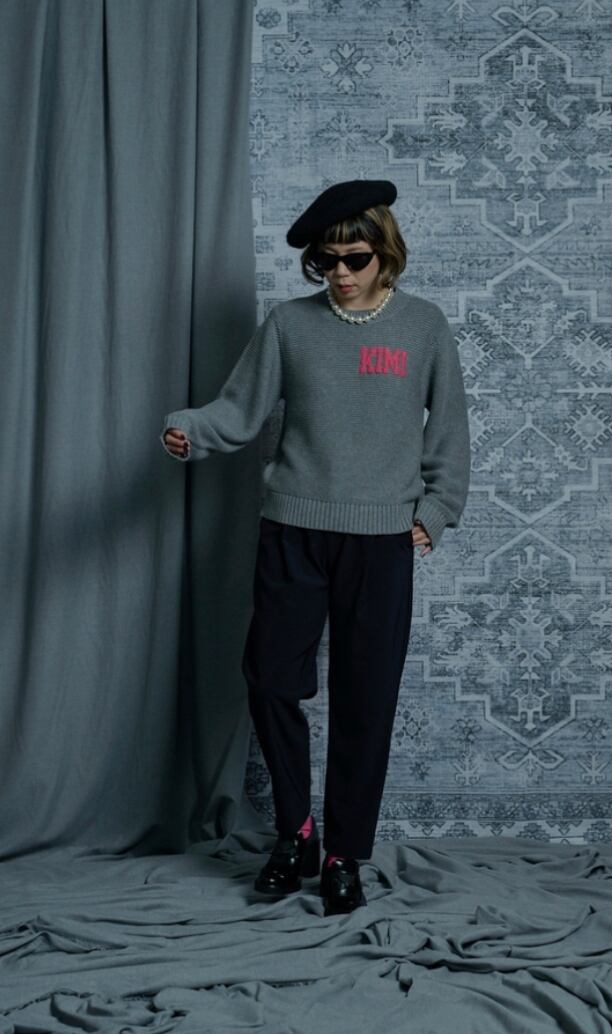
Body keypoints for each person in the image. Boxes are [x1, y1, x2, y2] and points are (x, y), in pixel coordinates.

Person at [160, 179, 470, 916]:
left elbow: (449, 431)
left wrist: (436, 510)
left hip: (381, 542)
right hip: (293, 530)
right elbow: (239, 410)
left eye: (355, 258)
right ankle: (296, 832)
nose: (340, 273)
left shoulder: (423, 328)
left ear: (386, 254)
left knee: (367, 700)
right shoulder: (290, 325)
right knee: (270, 680)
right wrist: (189, 430)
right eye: (327, 261)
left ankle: (342, 855)